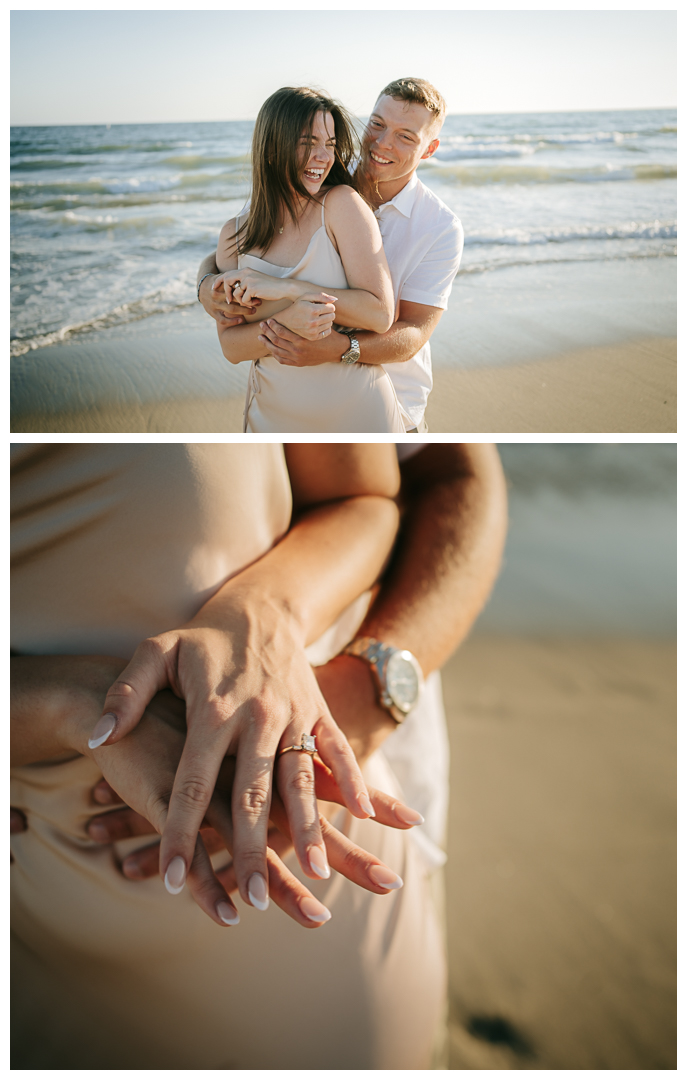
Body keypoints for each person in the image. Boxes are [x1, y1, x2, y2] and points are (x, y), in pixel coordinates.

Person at [11, 443, 508, 1069]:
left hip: (302, 897)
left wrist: (332, 670)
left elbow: (418, 481)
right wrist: (67, 700)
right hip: (30, 937)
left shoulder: (259, 349)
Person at [198, 78, 464, 433]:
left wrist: (337, 347)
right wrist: (206, 283)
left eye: (406, 136)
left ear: (429, 149)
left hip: (392, 395)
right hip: (280, 407)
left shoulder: (438, 227)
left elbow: (410, 331)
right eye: (377, 125)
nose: (382, 143)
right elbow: (240, 250)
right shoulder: (317, 177)